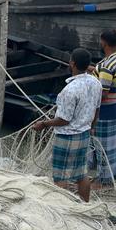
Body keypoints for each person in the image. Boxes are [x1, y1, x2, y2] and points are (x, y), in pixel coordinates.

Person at [31, 48, 102, 202]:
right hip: (84, 134)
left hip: (66, 137)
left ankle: (63, 210)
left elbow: (64, 120)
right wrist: (91, 127)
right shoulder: (96, 83)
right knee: (81, 175)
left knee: (60, 177)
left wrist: (43, 124)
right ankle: (85, 204)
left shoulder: (69, 90)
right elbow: (97, 109)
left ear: (72, 63)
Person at [88, 29, 116, 187]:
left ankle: (104, 181)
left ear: (104, 43)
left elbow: (102, 94)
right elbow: (105, 74)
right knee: (112, 146)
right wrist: (92, 70)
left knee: (101, 146)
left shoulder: (106, 66)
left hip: (104, 110)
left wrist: (92, 115)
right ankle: (112, 175)